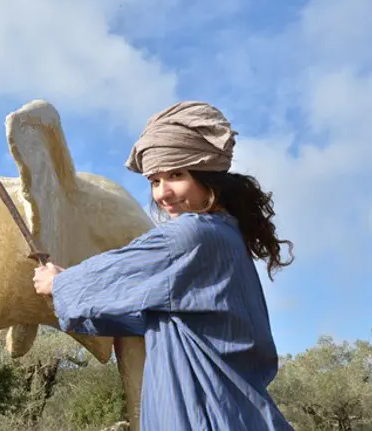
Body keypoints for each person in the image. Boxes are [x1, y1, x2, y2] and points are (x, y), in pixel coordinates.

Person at [32, 101, 296, 430]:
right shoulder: (226, 237)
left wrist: (59, 283)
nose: (163, 193)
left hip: (209, 417)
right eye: (155, 180)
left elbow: (116, 273)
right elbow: (147, 314)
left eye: (176, 175)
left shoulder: (193, 236)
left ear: (207, 176)